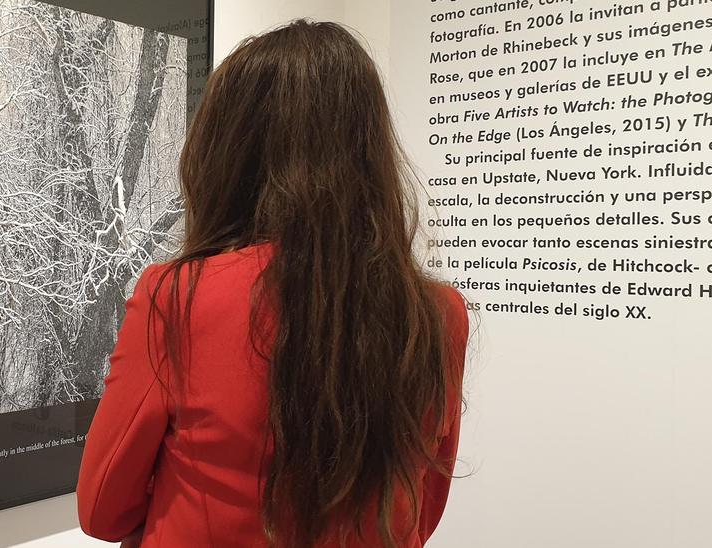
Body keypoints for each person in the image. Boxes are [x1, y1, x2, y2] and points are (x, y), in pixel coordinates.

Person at [76, 20, 470, 548]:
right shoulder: (438, 314)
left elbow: (103, 509)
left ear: (227, 153)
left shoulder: (179, 297)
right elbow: (420, 510)